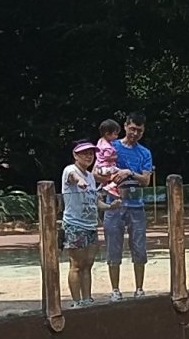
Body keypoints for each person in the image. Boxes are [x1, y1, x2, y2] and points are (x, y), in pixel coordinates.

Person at [104, 115, 153, 296]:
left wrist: (129, 172)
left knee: (139, 248)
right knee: (113, 248)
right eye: (132, 128)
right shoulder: (111, 146)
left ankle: (139, 288)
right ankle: (115, 290)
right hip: (114, 204)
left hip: (136, 205)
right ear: (125, 126)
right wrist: (115, 173)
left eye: (139, 130)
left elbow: (146, 180)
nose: (135, 133)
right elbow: (99, 171)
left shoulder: (145, 153)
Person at [59, 138, 105, 304]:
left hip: (91, 225)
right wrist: (79, 181)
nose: (89, 156)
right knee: (76, 265)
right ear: (75, 155)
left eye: (91, 153)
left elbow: (95, 201)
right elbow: (72, 178)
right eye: (84, 153)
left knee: (88, 264)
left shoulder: (91, 177)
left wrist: (110, 206)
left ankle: (87, 299)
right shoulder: (70, 170)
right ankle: (76, 301)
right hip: (74, 225)